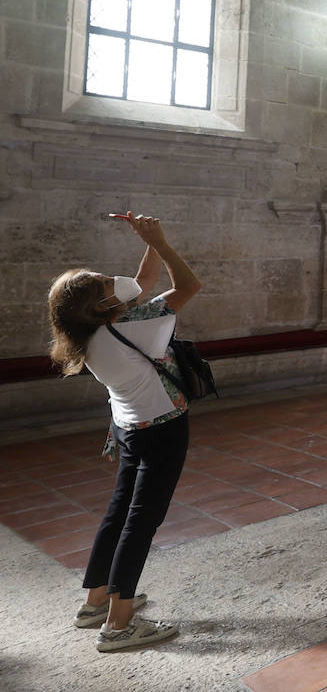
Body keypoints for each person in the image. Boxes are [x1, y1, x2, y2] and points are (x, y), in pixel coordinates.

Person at [48, 213, 202, 651]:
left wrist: (150, 240)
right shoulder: (130, 324)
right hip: (161, 427)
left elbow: (143, 278)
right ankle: (119, 625)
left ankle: (97, 600)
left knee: (120, 512)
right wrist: (167, 244)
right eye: (103, 282)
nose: (112, 280)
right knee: (141, 521)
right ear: (101, 304)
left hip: (128, 425)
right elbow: (188, 287)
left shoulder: (92, 328)